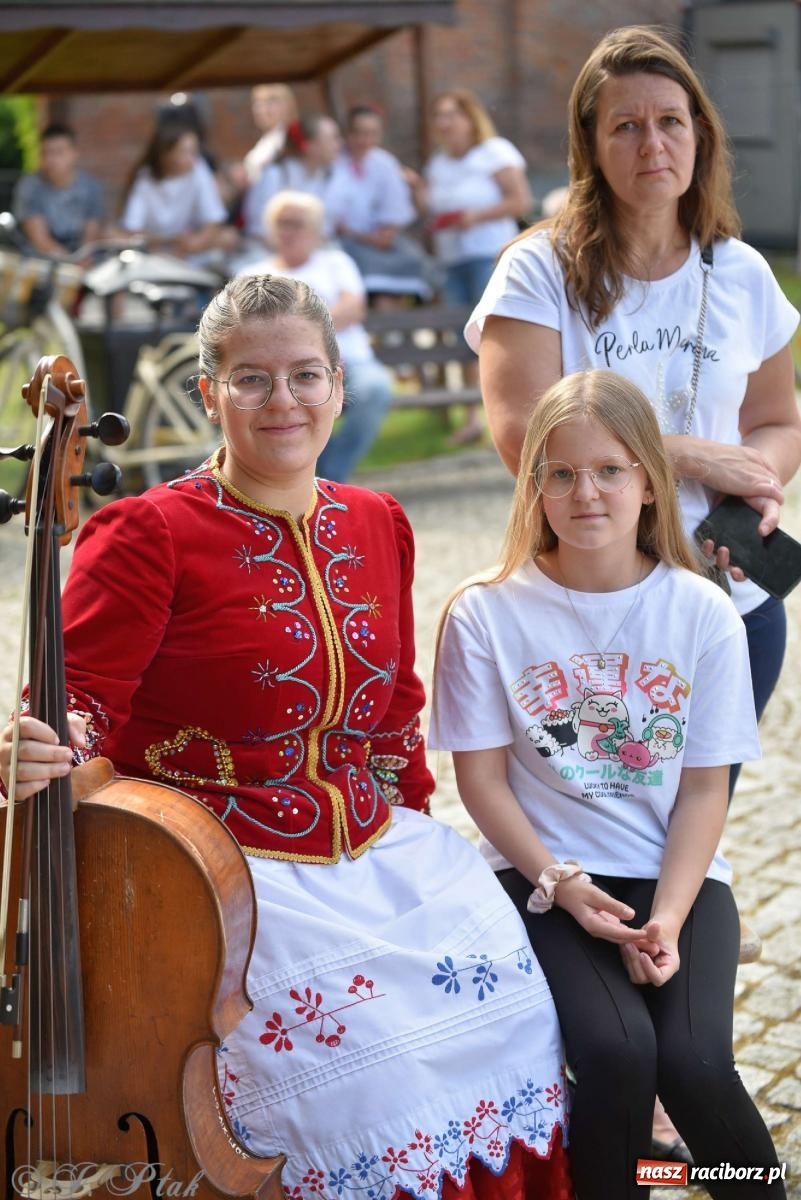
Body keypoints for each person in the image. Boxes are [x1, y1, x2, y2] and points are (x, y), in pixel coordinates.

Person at [0, 275, 571, 1200]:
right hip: (221, 876)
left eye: (306, 375)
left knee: (509, 1013)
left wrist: (420, 845)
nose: (283, 401)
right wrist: (44, 738)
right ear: (207, 394)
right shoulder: (146, 533)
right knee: (378, 1069)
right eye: (252, 379)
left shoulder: (375, 521)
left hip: (377, 851)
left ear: (339, 387)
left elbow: (393, 716)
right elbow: (78, 701)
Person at [429, 368, 786, 1200]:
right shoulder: (485, 612)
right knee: (617, 1055)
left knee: (695, 1066)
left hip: (677, 878)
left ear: (649, 484)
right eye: (559, 472)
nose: (583, 492)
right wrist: (561, 881)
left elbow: (704, 790)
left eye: (609, 470)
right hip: (539, 876)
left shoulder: (703, 613)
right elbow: (480, 783)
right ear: (534, 486)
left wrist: (665, 915)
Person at [467, 26, 801, 795]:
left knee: (692, 816)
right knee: (595, 814)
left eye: (669, 121)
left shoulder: (742, 273)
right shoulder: (537, 270)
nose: (652, 143)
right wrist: (685, 455)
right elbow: (522, 436)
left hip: (725, 597)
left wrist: (752, 478)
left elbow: (778, 423)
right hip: (587, 603)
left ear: (699, 135)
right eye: (626, 125)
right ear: (590, 146)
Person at [244, 190, 393, 481]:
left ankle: (330, 478)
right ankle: (308, 479)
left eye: (296, 224)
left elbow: (353, 308)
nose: (288, 232)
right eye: (281, 224)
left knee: (376, 388)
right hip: (279, 372)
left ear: (315, 231)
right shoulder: (253, 274)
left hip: (350, 363)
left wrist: (294, 333)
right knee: (291, 399)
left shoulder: (336, 263)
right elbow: (249, 327)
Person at [415, 89, 531, 445]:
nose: (444, 123)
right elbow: (432, 212)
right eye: (439, 116)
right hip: (452, 260)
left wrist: (474, 216)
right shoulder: (438, 165)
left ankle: (518, 414)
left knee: (498, 336)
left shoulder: (494, 152)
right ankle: (471, 418)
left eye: (451, 114)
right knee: (462, 339)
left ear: (470, 118)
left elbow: (520, 201)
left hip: (491, 255)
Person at [326, 105, 434, 302]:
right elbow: (334, 220)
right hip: (343, 243)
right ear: (347, 133)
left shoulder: (384, 163)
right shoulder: (331, 162)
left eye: (372, 134)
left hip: (379, 240)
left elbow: (393, 211)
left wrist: (382, 234)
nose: (365, 141)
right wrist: (358, 235)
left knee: (413, 263)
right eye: (359, 133)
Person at [119, 116, 237, 265]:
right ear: (165, 154)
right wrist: (171, 240)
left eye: (194, 151)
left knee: (229, 236)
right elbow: (133, 229)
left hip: (189, 248)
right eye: (184, 151)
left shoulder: (198, 169)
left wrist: (196, 242)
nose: (191, 158)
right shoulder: (145, 178)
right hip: (156, 247)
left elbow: (213, 219)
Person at [242, 115, 342, 243]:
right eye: (332, 139)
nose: (339, 144)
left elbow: (326, 226)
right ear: (309, 146)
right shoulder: (274, 175)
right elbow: (259, 228)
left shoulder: (326, 174)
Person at [12, 123, 104, 259]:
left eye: (58, 152)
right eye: (46, 153)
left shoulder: (91, 187)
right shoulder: (30, 186)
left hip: (81, 260)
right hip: (40, 263)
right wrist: (71, 262)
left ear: (74, 153)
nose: (51, 160)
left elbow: (91, 235)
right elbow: (40, 240)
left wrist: (84, 259)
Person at [242, 83, 298, 184]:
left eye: (270, 102)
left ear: (286, 105)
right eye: (257, 103)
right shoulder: (267, 140)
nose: (261, 110)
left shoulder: (290, 138)